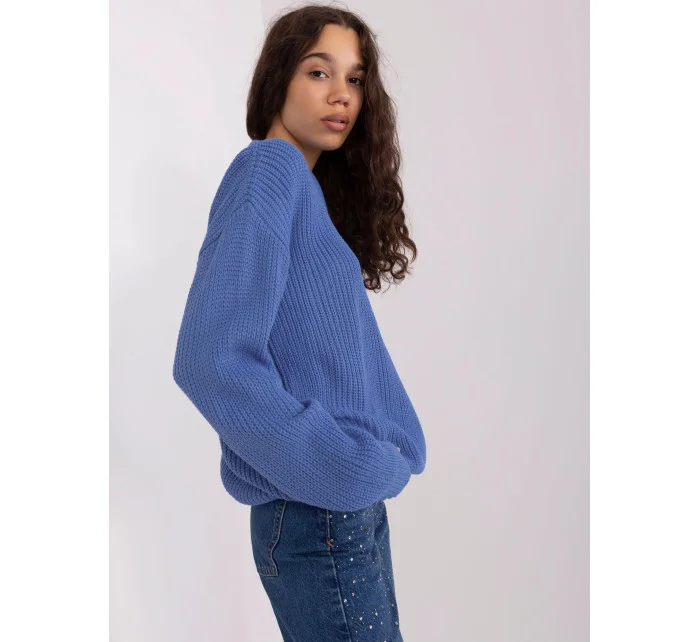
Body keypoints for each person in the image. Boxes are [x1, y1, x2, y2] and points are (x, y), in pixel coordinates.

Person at [172, 4, 427, 640]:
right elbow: (209, 359)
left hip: (336, 509)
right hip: (318, 511)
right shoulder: (270, 169)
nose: (342, 94)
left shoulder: (304, 191)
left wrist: (374, 458)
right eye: (319, 72)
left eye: (355, 79)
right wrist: (340, 466)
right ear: (278, 79)